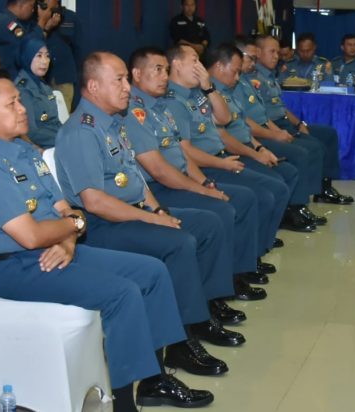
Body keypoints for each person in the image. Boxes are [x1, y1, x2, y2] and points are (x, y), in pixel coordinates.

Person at [0, 67, 199, 412]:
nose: (23, 108)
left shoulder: (25, 152)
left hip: (57, 251)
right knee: (122, 293)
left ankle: (154, 379)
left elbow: (67, 211)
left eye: (20, 101)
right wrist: (71, 226)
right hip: (16, 268)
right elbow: (31, 236)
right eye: (12, 104)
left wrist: (69, 238)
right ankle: (124, 405)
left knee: (152, 272)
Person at [54, 52, 249, 384]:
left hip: (131, 213)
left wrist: (157, 210)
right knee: (178, 243)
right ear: (93, 86)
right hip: (101, 226)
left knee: (206, 224)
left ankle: (198, 315)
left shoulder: (112, 122)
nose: (126, 87)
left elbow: (135, 180)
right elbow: (95, 202)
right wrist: (151, 220)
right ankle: (177, 344)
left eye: (125, 79)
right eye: (118, 80)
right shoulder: (82, 131)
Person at [126, 46, 276, 292]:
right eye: (158, 70)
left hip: (181, 178)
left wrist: (204, 183)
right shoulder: (137, 111)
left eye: (165, 70)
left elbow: (182, 155)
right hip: (159, 189)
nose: (164, 76)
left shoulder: (160, 107)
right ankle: (219, 288)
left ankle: (234, 274)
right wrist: (203, 189)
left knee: (239, 199)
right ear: (137, 74)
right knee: (220, 213)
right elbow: (160, 170)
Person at [163, 44, 291, 257]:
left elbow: (224, 118)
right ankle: (246, 259)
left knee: (272, 187)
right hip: (206, 165)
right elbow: (185, 152)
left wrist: (208, 88)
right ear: (177, 64)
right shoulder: (173, 101)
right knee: (257, 196)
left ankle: (254, 251)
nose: (200, 66)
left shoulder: (197, 93)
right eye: (194, 61)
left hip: (222, 157)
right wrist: (222, 164)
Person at [209, 43, 326, 230]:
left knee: (288, 171)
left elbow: (245, 124)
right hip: (230, 153)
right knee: (278, 181)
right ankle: (279, 222)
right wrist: (257, 152)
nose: (238, 77)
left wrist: (260, 148)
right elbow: (225, 136)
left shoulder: (230, 88)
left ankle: (289, 214)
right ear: (219, 66)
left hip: (248, 144)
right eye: (235, 71)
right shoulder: (210, 94)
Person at [253, 35, 355, 205]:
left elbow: (282, 108)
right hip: (272, 126)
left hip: (284, 121)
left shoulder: (269, 75)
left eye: (277, 52)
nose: (276, 56)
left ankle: (325, 188)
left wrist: (299, 124)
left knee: (328, 134)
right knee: (314, 146)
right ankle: (299, 203)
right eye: (272, 52)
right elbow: (259, 115)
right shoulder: (254, 79)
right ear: (258, 52)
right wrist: (278, 132)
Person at [15, 38, 62, 148]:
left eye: (47, 56)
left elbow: (55, 121)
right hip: (42, 148)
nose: (45, 61)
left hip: (57, 141)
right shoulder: (22, 89)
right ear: (27, 56)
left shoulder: (44, 86)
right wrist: (64, 138)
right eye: (39, 56)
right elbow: (31, 132)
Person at [0, 0, 60, 78]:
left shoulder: (19, 21)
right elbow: (29, 46)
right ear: (21, 5)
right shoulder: (7, 22)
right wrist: (42, 21)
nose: (33, 10)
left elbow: (37, 43)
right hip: (12, 76)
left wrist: (46, 28)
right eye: (31, 6)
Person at [44, 0, 82, 112]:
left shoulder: (71, 17)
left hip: (64, 76)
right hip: (43, 78)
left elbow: (78, 48)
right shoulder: (38, 16)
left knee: (64, 113)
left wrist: (72, 70)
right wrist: (48, 26)